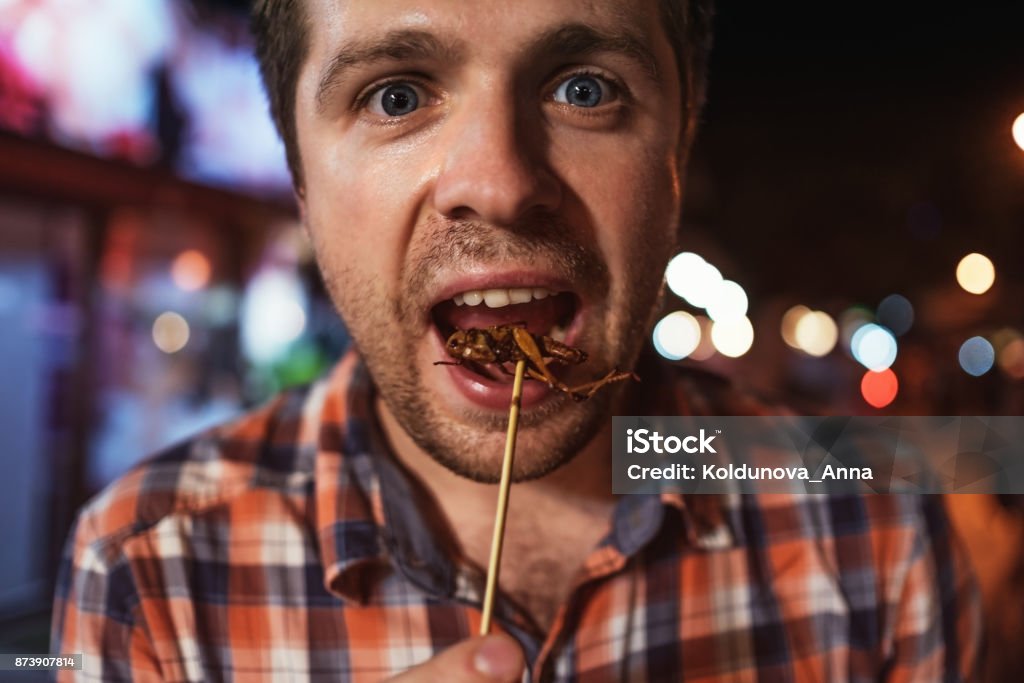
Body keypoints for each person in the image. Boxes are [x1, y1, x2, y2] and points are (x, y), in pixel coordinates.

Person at [52, 0, 982, 680]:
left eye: (585, 88)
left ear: (681, 146)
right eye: (394, 96)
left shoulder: (875, 521)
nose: (497, 182)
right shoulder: (148, 565)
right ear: (300, 177)